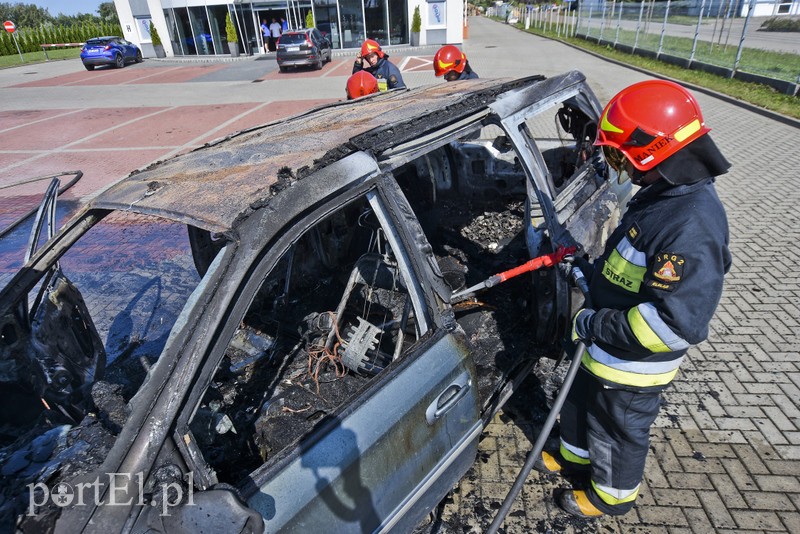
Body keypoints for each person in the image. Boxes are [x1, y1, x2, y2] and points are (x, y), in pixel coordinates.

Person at [535, 80, 732, 518]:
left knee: (616, 429)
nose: (617, 166)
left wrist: (593, 324)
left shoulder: (692, 226)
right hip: (605, 349)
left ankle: (610, 497)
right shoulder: (663, 196)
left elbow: (673, 325)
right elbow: (627, 269)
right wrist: (585, 271)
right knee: (579, 404)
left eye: (619, 156)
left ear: (652, 152)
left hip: (631, 368)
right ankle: (573, 457)